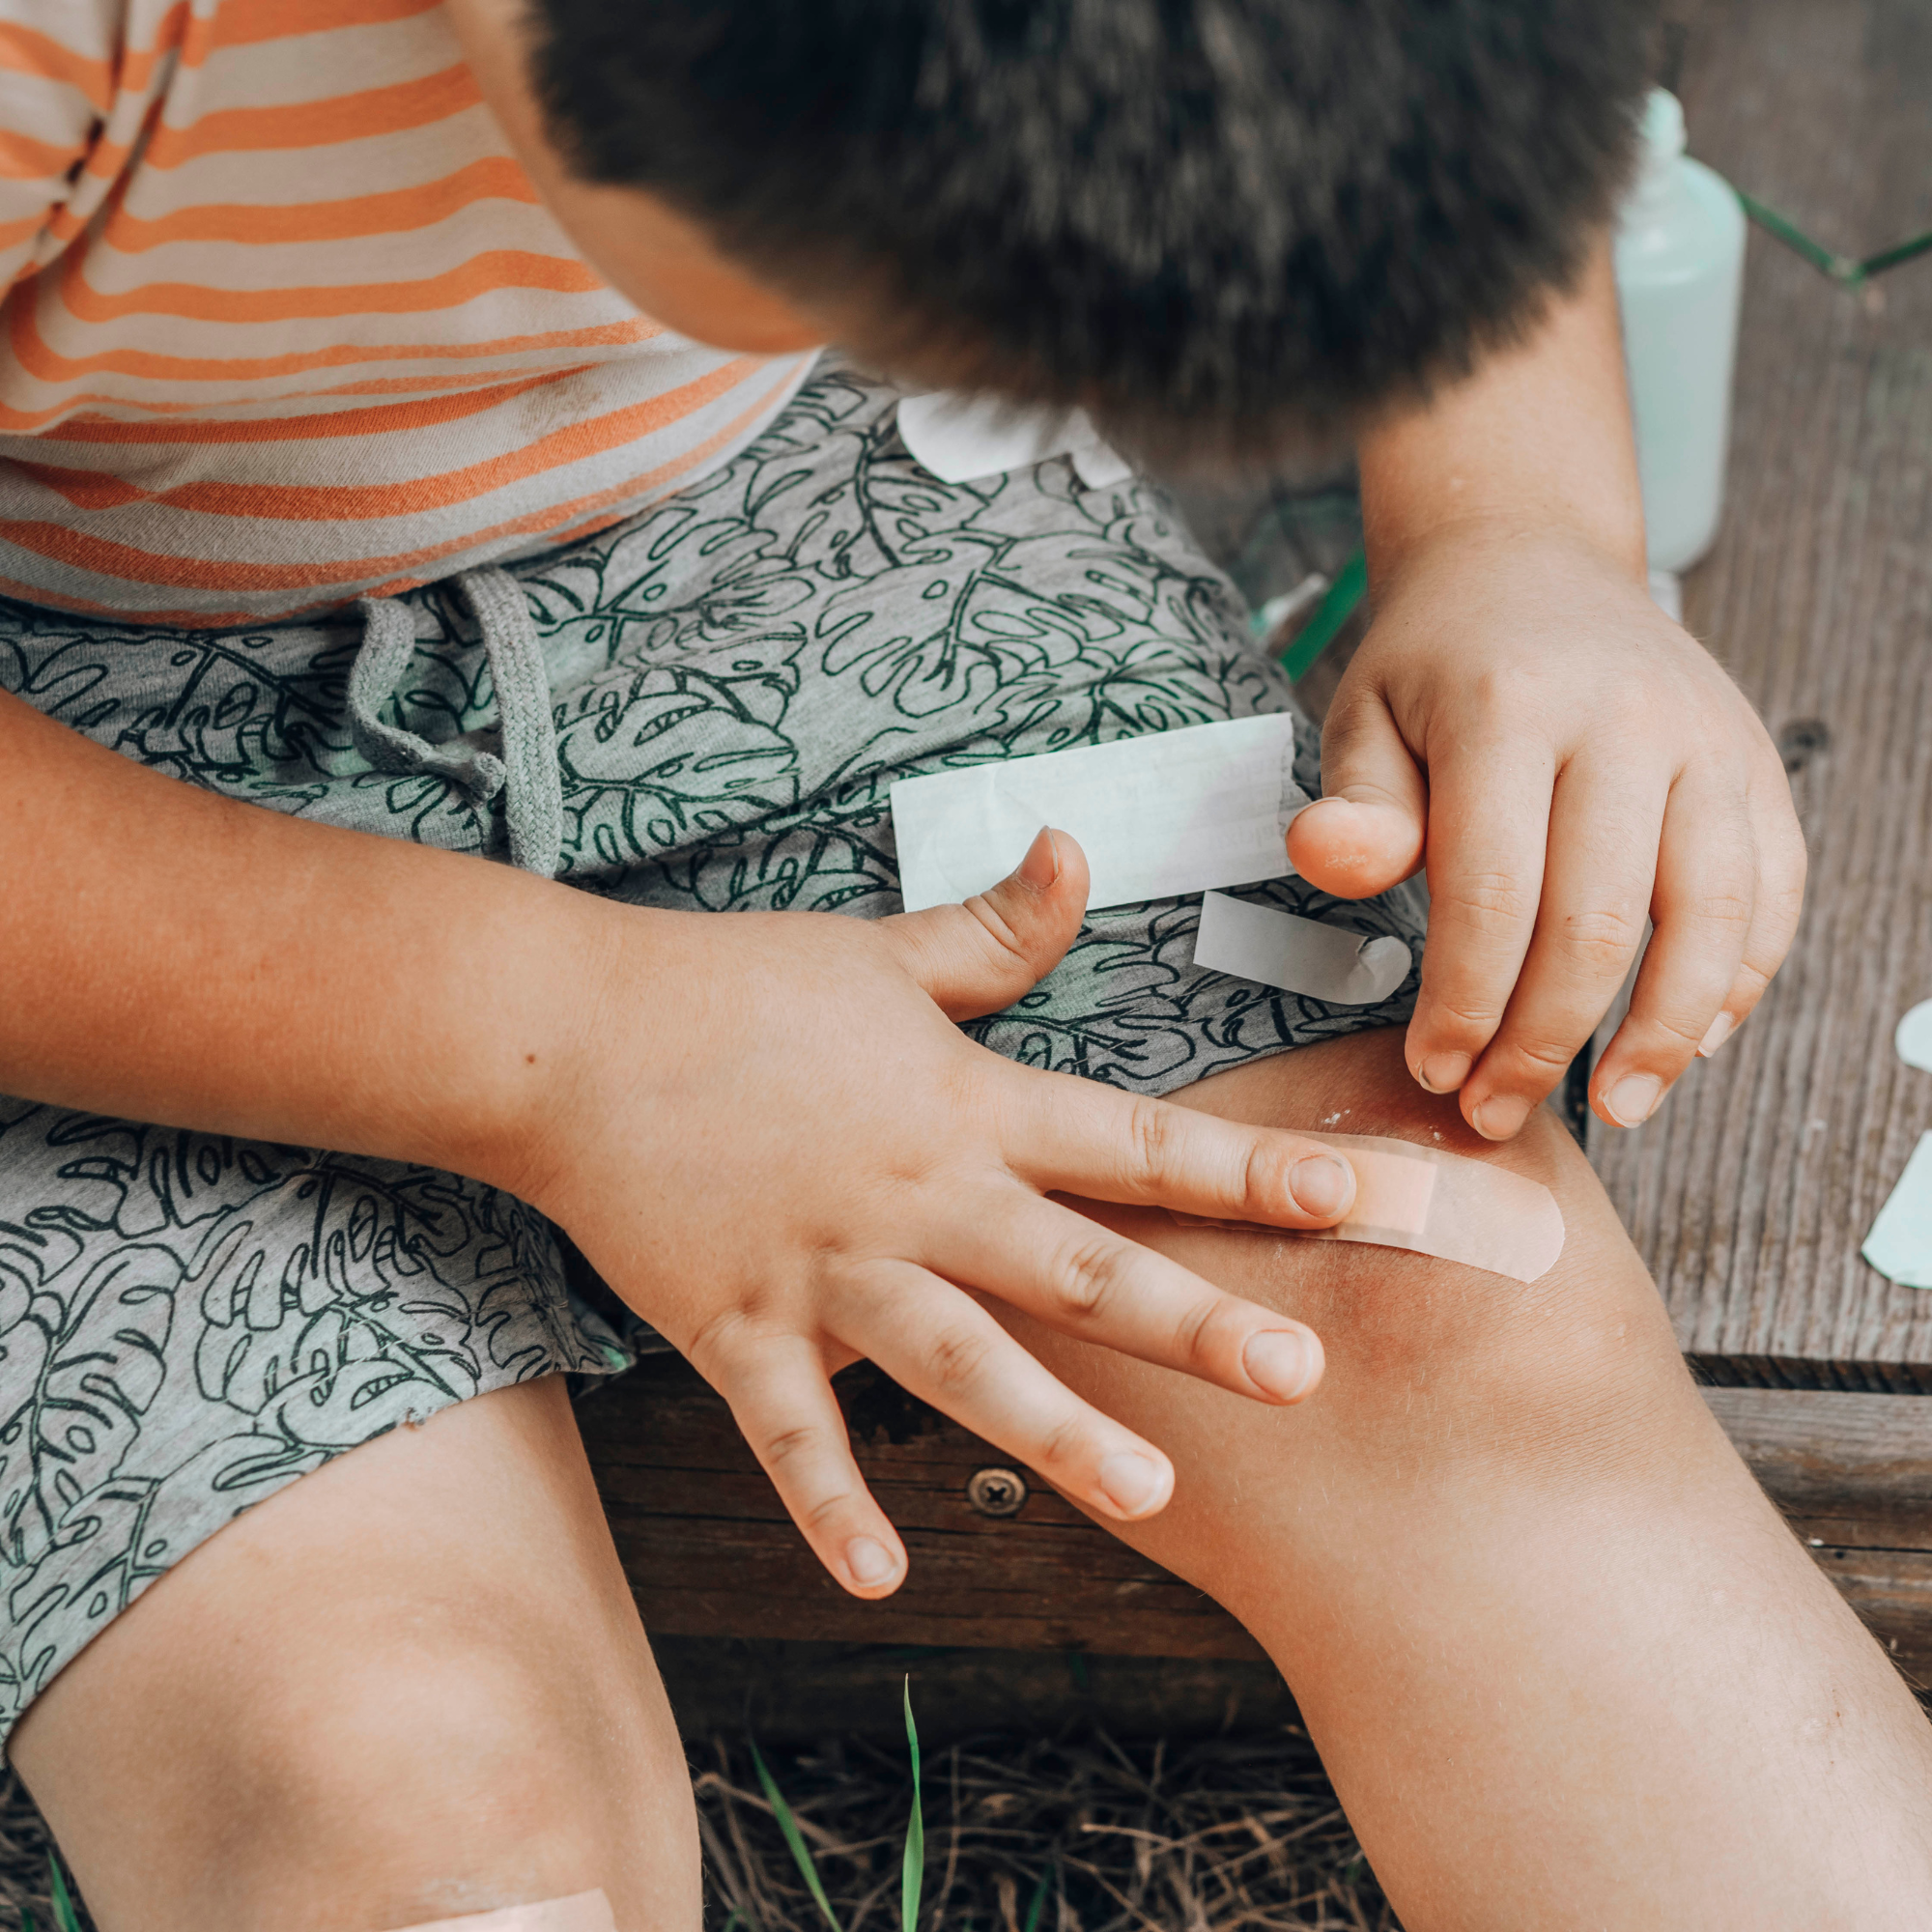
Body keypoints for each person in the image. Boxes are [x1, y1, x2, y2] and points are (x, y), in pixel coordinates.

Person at [0, 1, 1925, 1926]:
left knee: (1420, 1292)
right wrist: (565, 1045)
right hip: (76, 808)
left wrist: (1525, 526)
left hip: (812, 529)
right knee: (403, 1792)